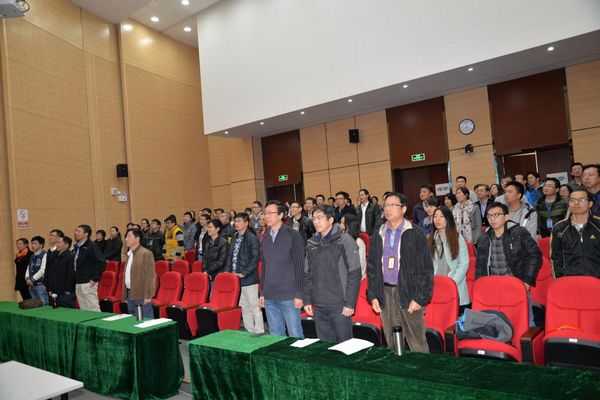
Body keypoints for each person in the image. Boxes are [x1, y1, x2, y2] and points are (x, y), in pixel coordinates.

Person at [367, 192, 433, 353]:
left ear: (403, 209)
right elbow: (372, 268)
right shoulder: (379, 233)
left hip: (409, 293)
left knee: (417, 343)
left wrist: (419, 298)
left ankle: (422, 369)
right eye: (386, 205)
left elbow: (426, 269)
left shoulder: (415, 233)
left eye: (392, 205)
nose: (387, 209)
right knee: (392, 342)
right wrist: (373, 295)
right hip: (385, 292)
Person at [475, 202, 542, 327]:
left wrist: (527, 281)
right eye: (489, 216)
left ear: (506, 217)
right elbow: (480, 265)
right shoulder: (484, 238)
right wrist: (480, 286)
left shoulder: (519, 233)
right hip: (493, 289)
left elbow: (535, 255)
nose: (492, 219)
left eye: (496, 215)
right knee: (496, 326)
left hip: (516, 285)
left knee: (525, 325)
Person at [303, 205, 361, 343]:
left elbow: (354, 273)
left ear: (330, 220)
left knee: (345, 346)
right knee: (325, 347)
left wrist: (350, 303)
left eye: (320, 218)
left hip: (340, 305)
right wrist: (307, 300)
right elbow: (307, 274)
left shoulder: (345, 240)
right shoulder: (311, 243)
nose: (316, 221)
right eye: (314, 218)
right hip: (319, 304)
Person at [259, 200, 305, 338]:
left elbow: (300, 266)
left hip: (289, 295)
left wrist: (299, 293)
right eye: (265, 213)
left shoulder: (292, 235)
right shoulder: (265, 238)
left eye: (271, 213)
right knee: (276, 336)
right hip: (270, 295)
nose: (267, 216)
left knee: (295, 335)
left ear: (281, 215)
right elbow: (264, 268)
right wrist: (262, 292)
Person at [226, 213, 264, 334]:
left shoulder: (251, 237)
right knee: (243, 307)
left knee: (254, 307)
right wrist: (228, 273)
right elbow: (230, 257)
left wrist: (244, 273)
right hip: (236, 279)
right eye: (235, 221)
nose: (236, 223)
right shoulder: (234, 237)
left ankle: (259, 332)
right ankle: (249, 331)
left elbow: (255, 258)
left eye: (239, 221)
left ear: (246, 223)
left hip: (249, 278)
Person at [551, 186, 600, 278]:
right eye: (572, 200)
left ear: (590, 204)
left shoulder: (598, 225)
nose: (576, 203)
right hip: (570, 280)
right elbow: (556, 258)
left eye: (581, 199)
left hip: (596, 280)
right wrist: (560, 280)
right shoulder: (559, 228)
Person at [428, 207, 470, 310]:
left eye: (441, 216)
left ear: (448, 219)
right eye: (435, 216)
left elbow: (464, 263)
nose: (437, 219)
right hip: (436, 287)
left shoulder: (457, 238)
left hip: (454, 284)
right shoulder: (429, 239)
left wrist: (452, 283)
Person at [122, 228, 156, 319]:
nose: (126, 239)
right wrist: (125, 296)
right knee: (133, 321)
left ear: (137, 239)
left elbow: (150, 276)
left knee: (145, 321)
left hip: (141, 294)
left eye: (129, 236)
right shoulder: (129, 254)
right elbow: (127, 276)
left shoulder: (146, 253)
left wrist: (148, 295)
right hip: (130, 293)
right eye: (126, 237)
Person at [73, 224, 106, 311]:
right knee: (84, 309)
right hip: (78, 282)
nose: (76, 233)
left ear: (86, 234)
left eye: (79, 231)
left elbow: (101, 262)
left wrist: (95, 279)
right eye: (76, 231)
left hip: (88, 282)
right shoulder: (76, 247)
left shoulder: (92, 245)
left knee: (93, 308)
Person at [45, 235, 76, 308]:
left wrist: (68, 289)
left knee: (66, 309)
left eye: (59, 243)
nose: (57, 245)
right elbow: (51, 272)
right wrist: (50, 288)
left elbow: (71, 275)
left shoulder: (70, 256)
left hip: (65, 291)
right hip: (54, 289)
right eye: (56, 243)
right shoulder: (54, 256)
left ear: (67, 245)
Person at [341, 213, 367, 278]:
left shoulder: (359, 243)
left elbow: (361, 264)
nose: (340, 225)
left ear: (349, 226)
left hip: (355, 277)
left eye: (343, 223)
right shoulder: (341, 239)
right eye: (340, 223)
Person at [25, 236, 49, 304]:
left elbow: (43, 270)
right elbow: (28, 267)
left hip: (40, 284)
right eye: (32, 243)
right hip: (31, 285)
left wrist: (32, 279)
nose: (33, 245)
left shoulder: (45, 255)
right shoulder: (32, 256)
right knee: (35, 304)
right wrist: (27, 278)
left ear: (41, 245)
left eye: (35, 243)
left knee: (44, 303)